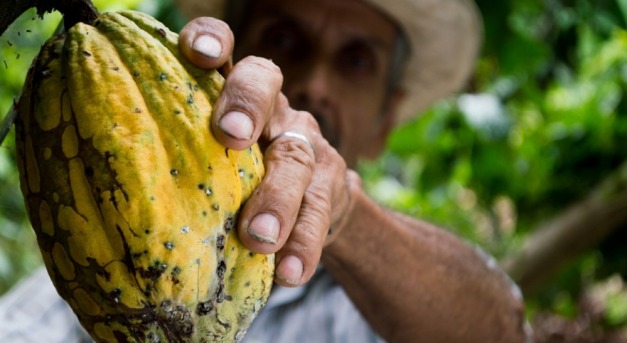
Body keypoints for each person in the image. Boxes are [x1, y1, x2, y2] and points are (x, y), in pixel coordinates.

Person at [0, 0, 532, 342]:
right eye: (282, 39)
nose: (316, 83)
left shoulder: (380, 307)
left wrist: (340, 214)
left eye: (355, 60)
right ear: (218, 58)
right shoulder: (74, 288)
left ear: (385, 120)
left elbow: (501, 329)